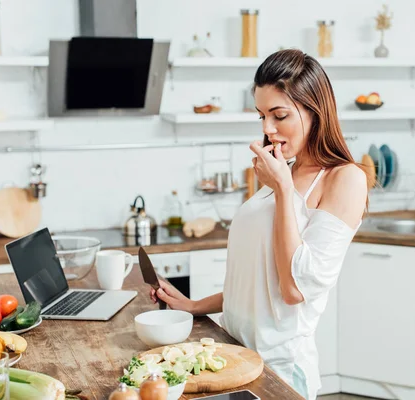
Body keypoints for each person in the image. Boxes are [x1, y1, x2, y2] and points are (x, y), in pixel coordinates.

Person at [150, 48, 370, 399]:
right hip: (233, 356)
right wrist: (192, 306)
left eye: (279, 115)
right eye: (262, 116)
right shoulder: (283, 172)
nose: (268, 129)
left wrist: (282, 188)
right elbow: (256, 283)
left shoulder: (343, 179)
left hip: (278, 371)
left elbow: (293, 289)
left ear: (315, 110)